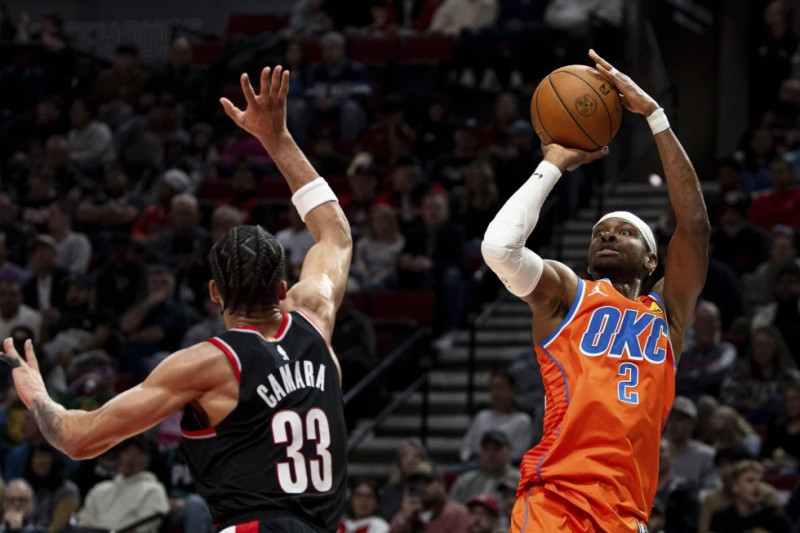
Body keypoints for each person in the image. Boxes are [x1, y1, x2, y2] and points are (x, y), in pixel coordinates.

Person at [2, 65, 353, 532]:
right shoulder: (314, 318)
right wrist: (277, 138)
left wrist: (39, 398)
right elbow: (335, 233)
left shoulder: (209, 364)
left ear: (214, 293)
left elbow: (78, 439)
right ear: (282, 289)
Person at [481, 50, 710, 532]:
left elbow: (694, 228)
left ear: (652, 260)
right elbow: (500, 248)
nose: (606, 235)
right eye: (599, 231)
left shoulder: (666, 314)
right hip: (555, 501)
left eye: (623, 232)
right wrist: (554, 165)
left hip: (626, 512)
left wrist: (655, 115)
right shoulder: (567, 294)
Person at [708, 460, 790, 533]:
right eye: (750, 480)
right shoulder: (721, 518)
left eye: (760, 480)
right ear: (735, 487)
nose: (757, 485)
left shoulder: (775, 517)